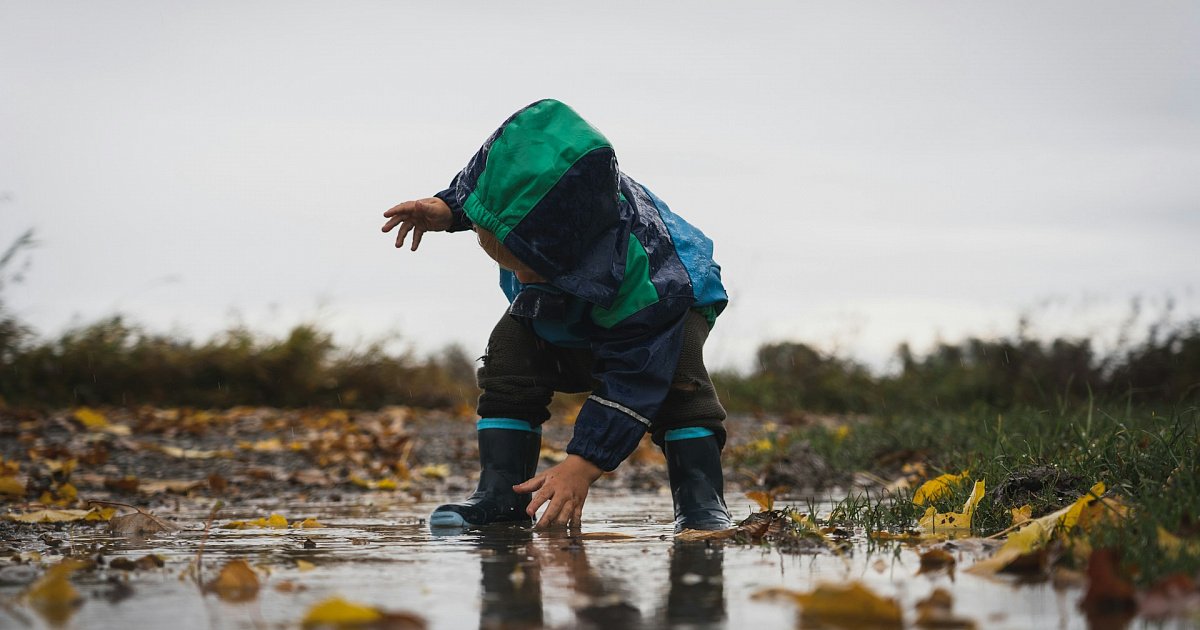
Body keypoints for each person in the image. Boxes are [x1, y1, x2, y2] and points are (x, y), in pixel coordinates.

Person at [381, 99, 731, 532]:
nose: (522, 279)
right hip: (573, 290)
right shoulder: (525, 213)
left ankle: (701, 503)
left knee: (679, 381)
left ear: (568, 244)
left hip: (671, 303)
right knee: (510, 350)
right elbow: (499, 190)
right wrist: (450, 209)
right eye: (508, 260)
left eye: (532, 264)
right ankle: (500, 494)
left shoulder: (648, 286)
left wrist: (581, 466)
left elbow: (634, 377)